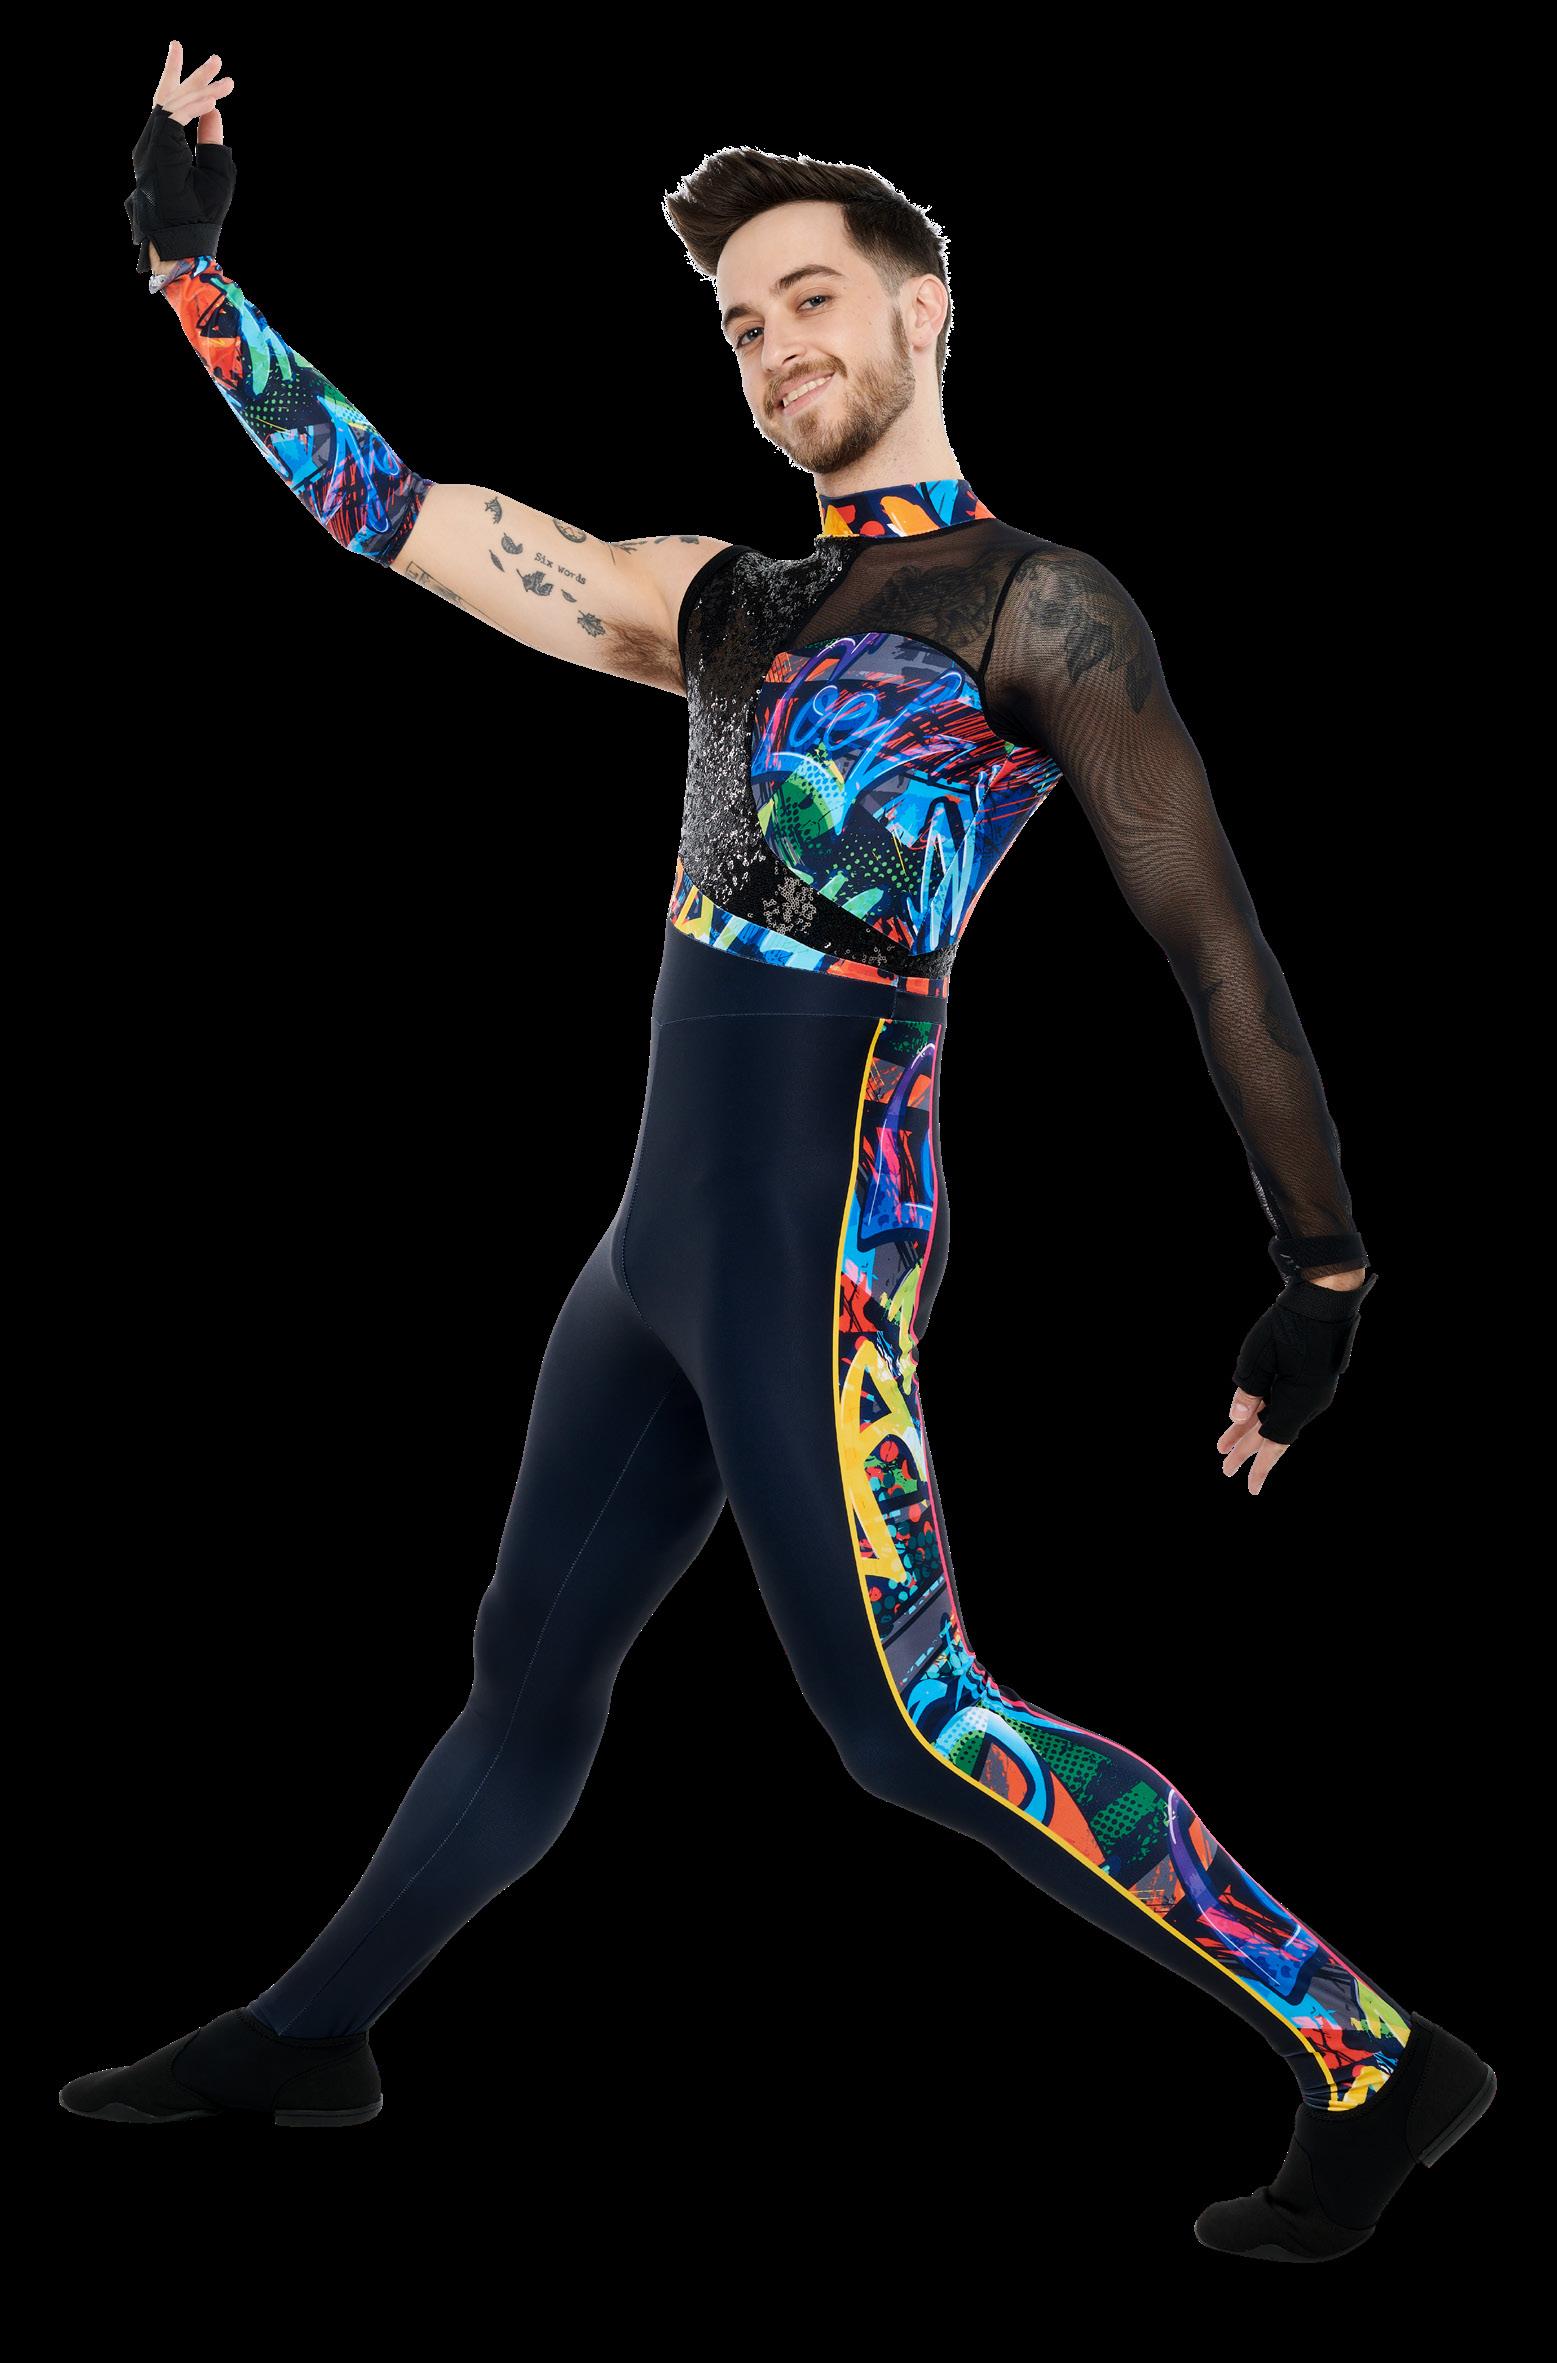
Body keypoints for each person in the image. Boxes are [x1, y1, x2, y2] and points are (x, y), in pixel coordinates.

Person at [64, 47, 1496, 2258]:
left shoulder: (1035, 608)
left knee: (909, 1722)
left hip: (825, 1249)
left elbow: (1211, 944)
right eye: (739, 323)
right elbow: (399, 513)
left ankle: (1372, 2055)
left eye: (809, 299)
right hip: (651, 1251)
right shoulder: (724, 603)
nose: (772, 349)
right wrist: (193, 276)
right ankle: (308, 2033)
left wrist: (1320, 1274)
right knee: (524, 1666)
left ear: (924, 306)